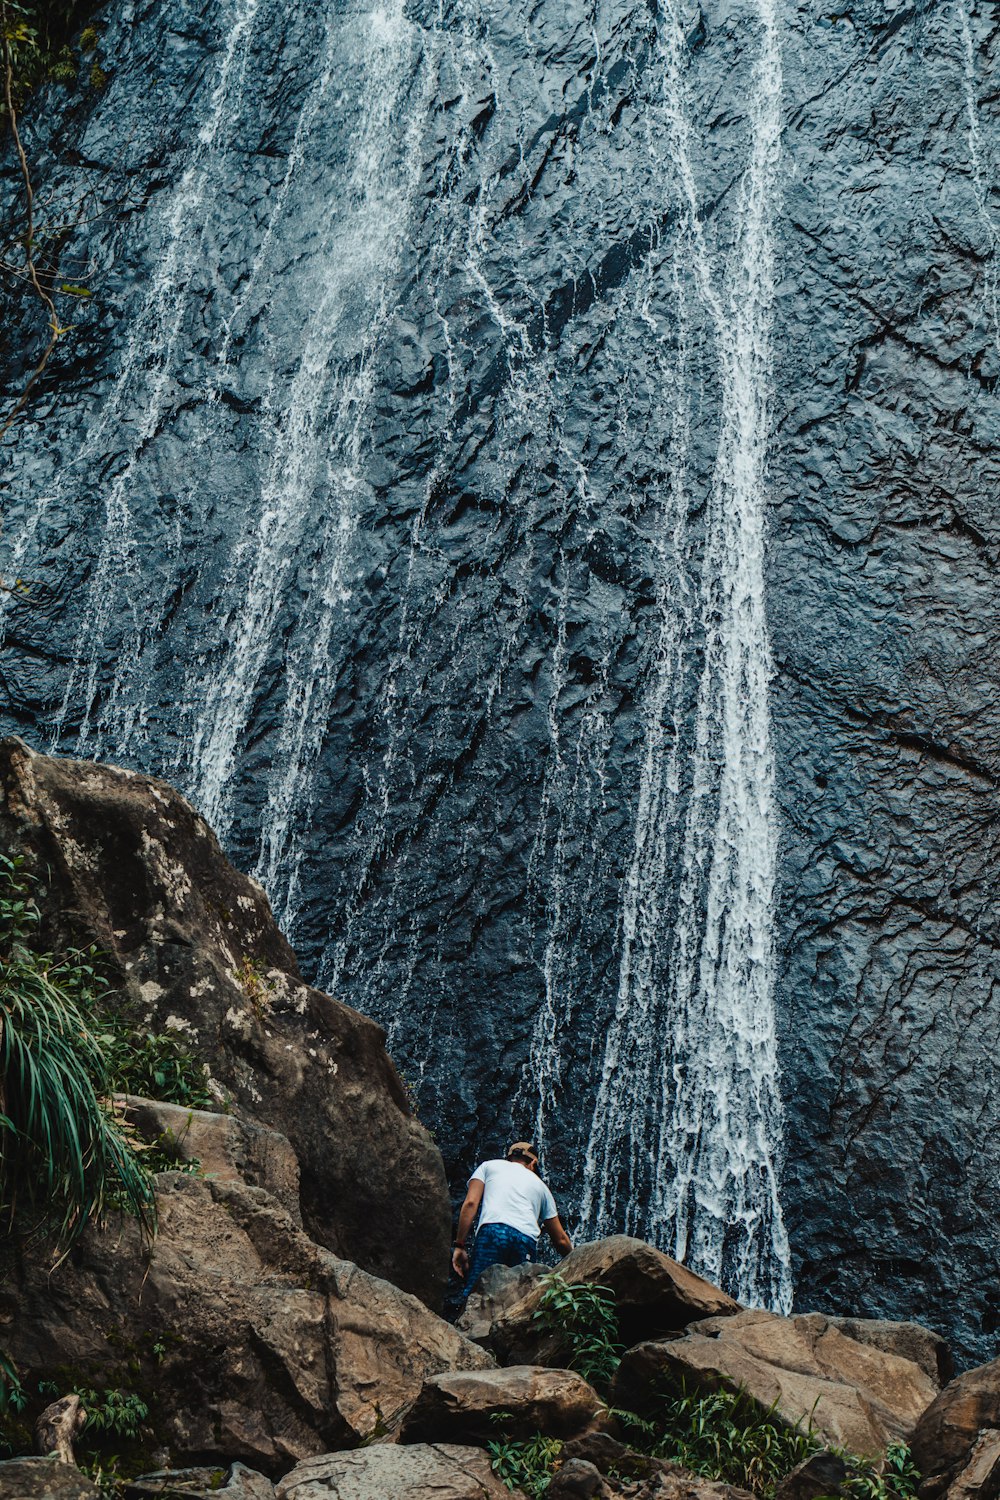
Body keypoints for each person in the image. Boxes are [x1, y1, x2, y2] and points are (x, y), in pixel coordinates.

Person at [451, 1141, 572, 1306]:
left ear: (509, 1158)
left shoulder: (489, 1166)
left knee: (477, 1294)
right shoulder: (542, 1188)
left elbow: (471, 1203)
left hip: (493, 1232)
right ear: (533, 1163)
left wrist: (459, 1245)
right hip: (525, 1240)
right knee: (516, 1303)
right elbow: (561, 1240)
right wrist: (578, 1260)